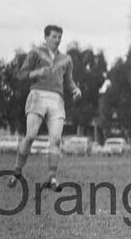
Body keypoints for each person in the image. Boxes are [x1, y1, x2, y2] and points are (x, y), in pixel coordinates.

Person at [8, 24, 82, 191]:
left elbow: (68, 81)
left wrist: (75, 89)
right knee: (31, 136)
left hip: (57, 99)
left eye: (59, 37)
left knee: (56, 139)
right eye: (54, 36)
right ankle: (17, 171)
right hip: (37, 95)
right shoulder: (35, 53)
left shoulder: (66, 59)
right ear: (46, 37)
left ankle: (52, 178)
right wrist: (37, 73)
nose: (57, 40)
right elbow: (21, 75)